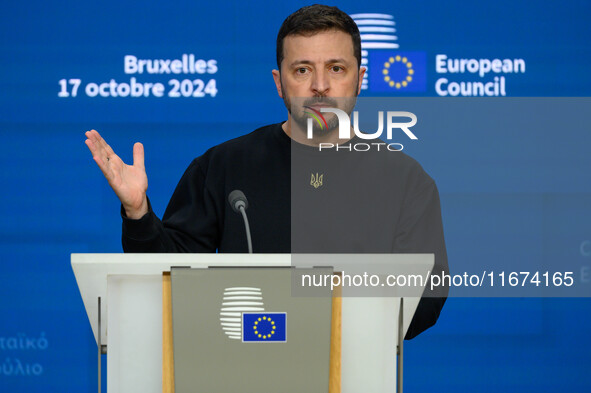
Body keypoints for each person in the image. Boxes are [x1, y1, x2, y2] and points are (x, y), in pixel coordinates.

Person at [85, 4, 447, 339]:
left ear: (359, 78)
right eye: (302, 69)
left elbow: (425, 297)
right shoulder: (223, 166)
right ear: (279, 83)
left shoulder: (404, 180)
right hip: (238, 367)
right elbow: (169, 279)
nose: (320, 85)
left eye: (336, 68)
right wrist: (138, 213)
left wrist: (317, 320)